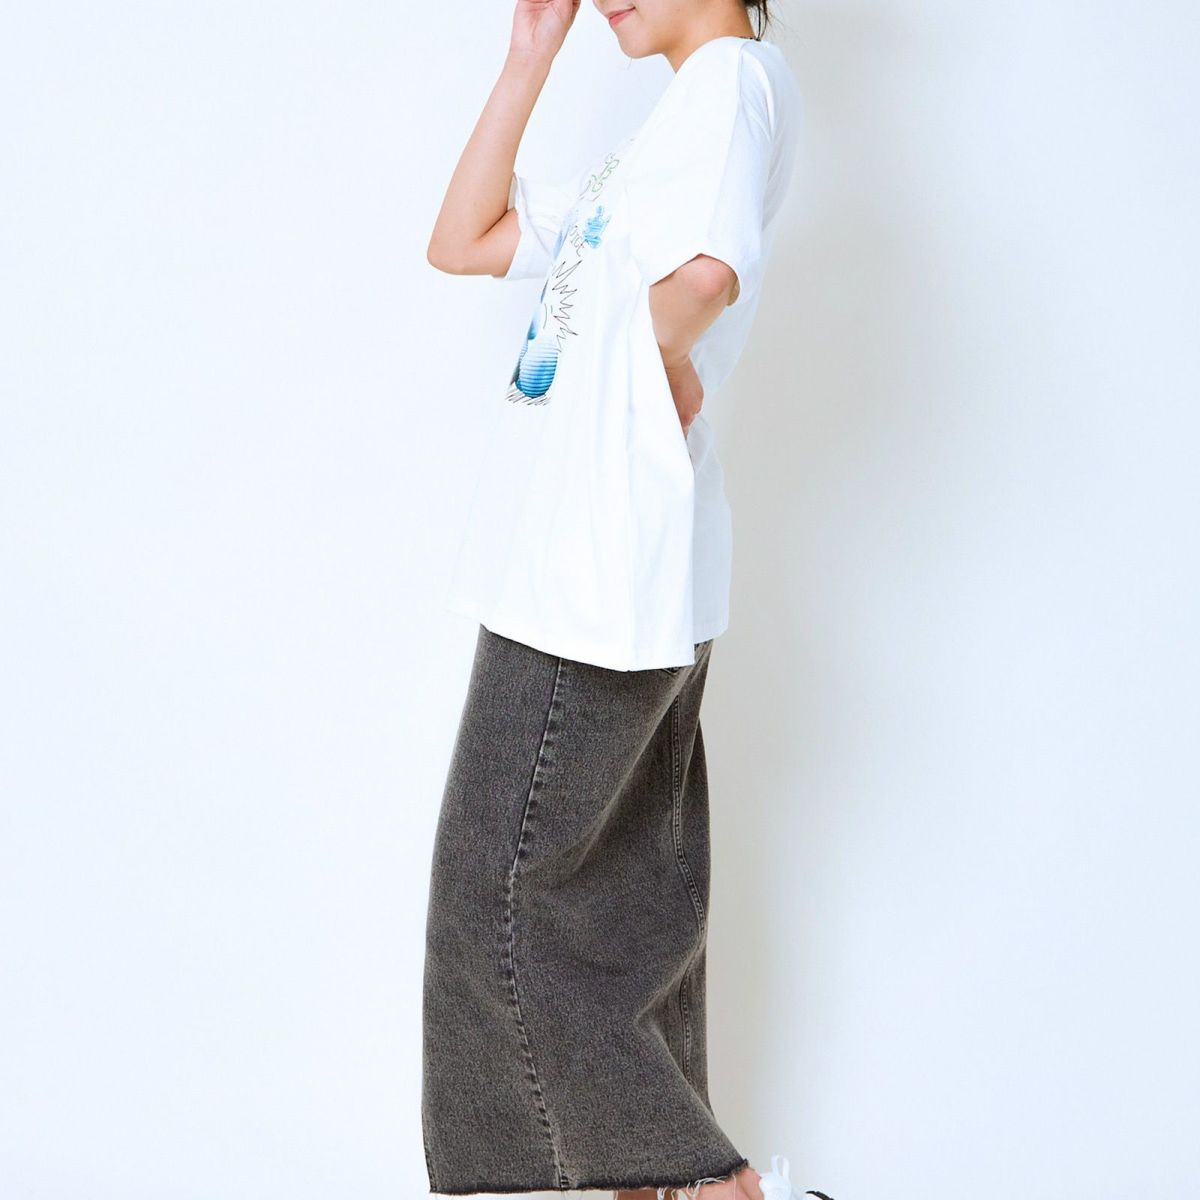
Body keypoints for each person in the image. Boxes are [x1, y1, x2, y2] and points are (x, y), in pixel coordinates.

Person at [422, 3, 822, 1200]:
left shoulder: (731, 81)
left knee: (500, 898)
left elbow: (705, 275)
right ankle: (659, 1185)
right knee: (621, 908)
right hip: (613, 567)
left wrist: (661, 357)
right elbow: (462, 238)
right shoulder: (666, 131)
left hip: (595, 568)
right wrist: (528, 57)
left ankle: (710, 1182)